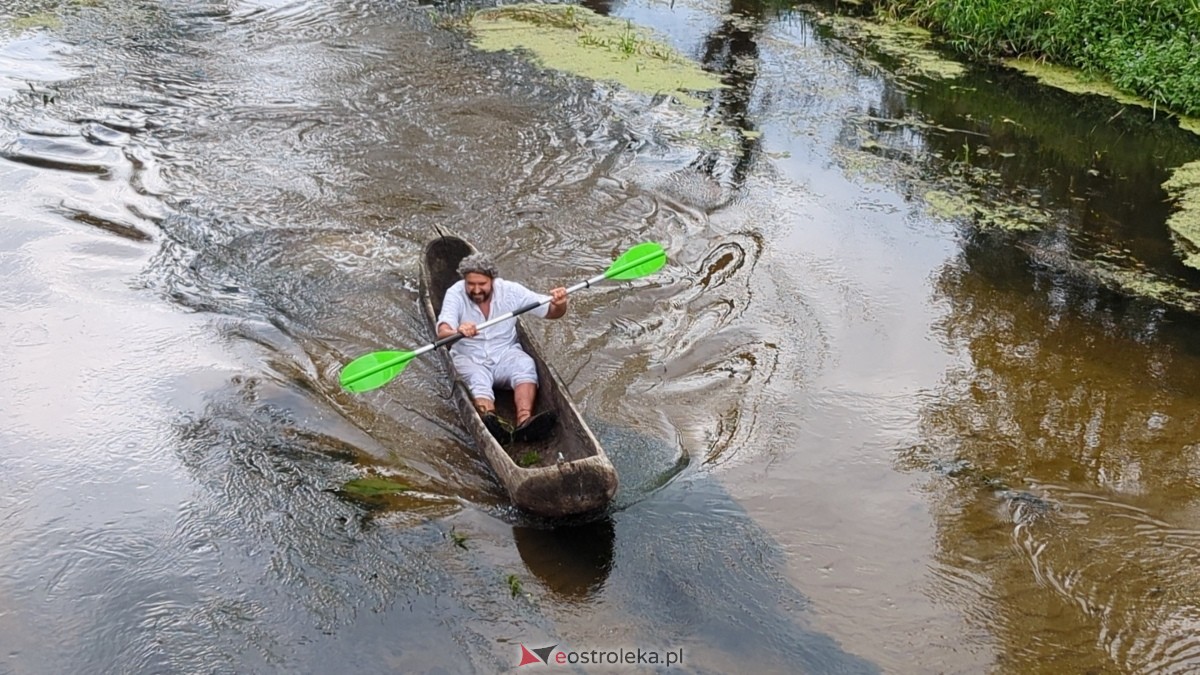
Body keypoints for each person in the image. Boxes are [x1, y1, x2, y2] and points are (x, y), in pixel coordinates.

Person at [436, 252, 568, 444]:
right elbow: (442, 332)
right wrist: (457, 330)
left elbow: (551, 312)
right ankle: (490, 423)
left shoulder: (511, 291)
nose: (476, 290)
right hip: (469, 357)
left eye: (482, 284)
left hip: (505, 353)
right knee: (478, 379)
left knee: (525, 364)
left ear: (493, 280)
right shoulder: (455, 293)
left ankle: (525, 421)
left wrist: (560, 304)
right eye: (471, 284)